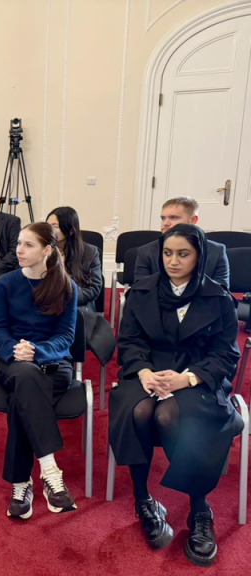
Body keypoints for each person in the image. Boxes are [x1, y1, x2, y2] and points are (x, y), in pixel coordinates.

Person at [109, 224, 241, 567]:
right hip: (148, 373)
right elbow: (129, 341)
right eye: (168, 253)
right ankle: (144, 499)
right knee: (138, 411)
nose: (173, 261)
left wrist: (188, 378)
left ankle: (199, 507)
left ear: (199, 256)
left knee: (171, 415)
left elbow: (226, 354)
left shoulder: (218, 298)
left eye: (183, 254)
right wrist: (144, 372)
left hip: (196, 378)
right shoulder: (141, 292)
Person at [0, 222, 79, 519]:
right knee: (25, 375)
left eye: (28, 245)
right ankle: (50, 470)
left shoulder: (66, 286)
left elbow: (66, 337)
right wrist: (17, 350)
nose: (19, 250)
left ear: (47, 250)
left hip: (53, 364)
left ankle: (21, 483)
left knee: (21, 398)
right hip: (13, 361)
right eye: (18, 243)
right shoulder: (6, 283)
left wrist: (37, 351)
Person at [47, 207, 114, 366]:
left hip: (77, 306)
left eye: (55, 226)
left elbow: (94, 289)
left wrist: (66, 299)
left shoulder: (89, 252)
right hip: (46, 304)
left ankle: (65, 365)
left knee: (69, 323)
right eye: (47, 225)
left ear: (70, 230)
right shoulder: (43, 250)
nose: (49, 230)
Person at [134, 197, 229, 288]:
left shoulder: (217, 251)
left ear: (193, 220)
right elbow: (141, 290)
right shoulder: (145, 252)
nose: (165, 223)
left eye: (173, 217)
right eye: (163, 218)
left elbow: (221, 291)